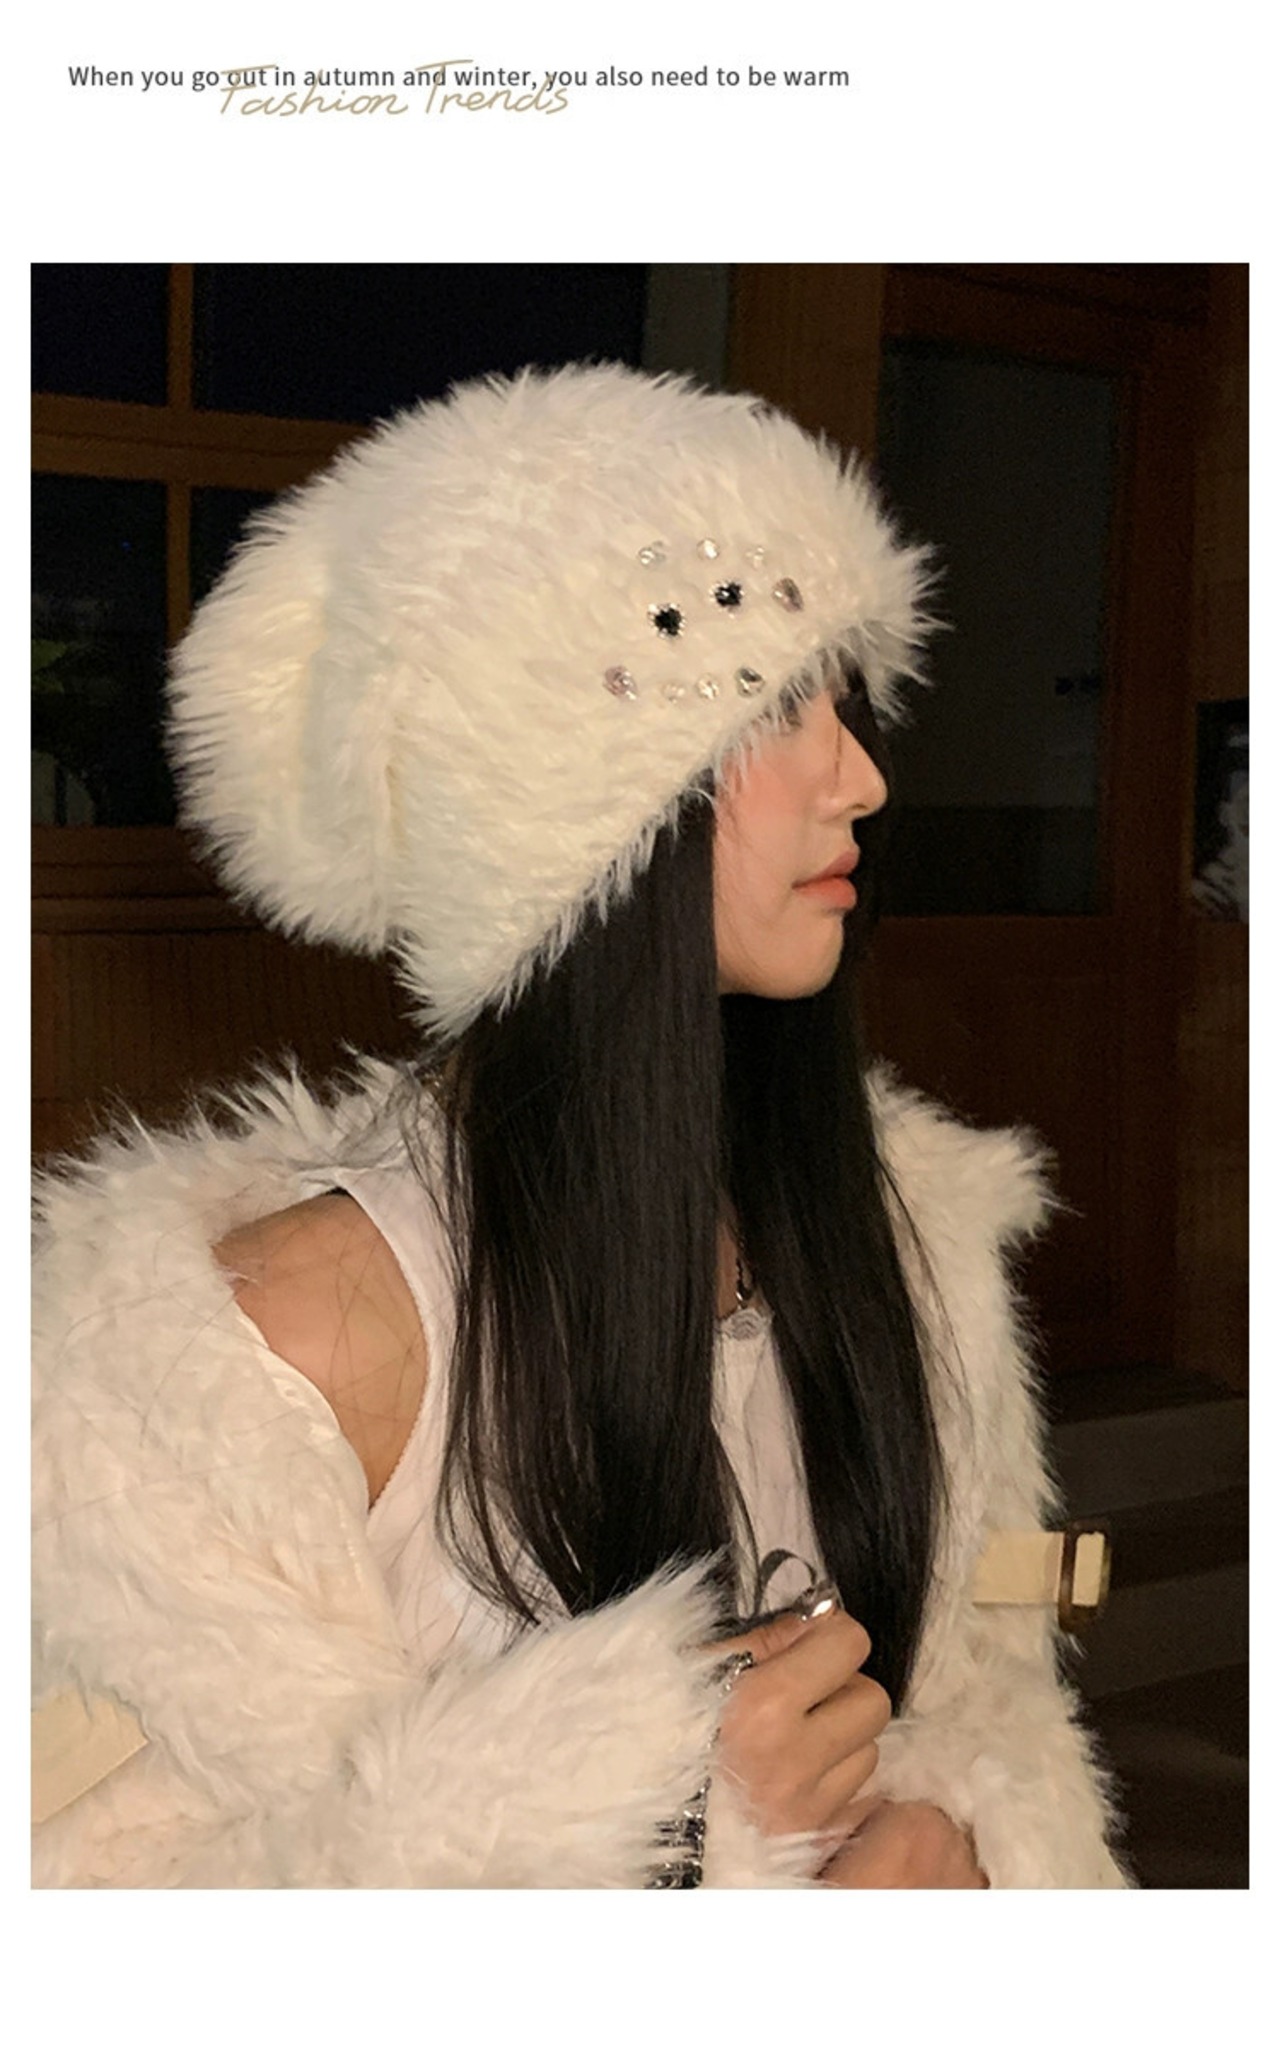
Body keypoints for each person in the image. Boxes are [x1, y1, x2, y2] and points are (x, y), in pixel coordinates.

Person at [32, 361, 1131, 1889]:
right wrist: (667, 1828)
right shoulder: (263, 1356)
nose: (863, 777)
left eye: (848, 702)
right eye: (774, 706)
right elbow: (103, 1898)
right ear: (558, 804)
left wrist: (964, 1841)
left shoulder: (904, 1245)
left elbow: (995, 1699)